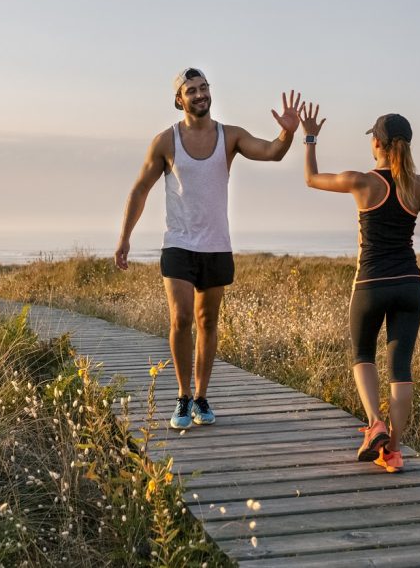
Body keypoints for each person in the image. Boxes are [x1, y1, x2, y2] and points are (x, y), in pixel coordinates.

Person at [114, 67, 303, 429]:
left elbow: (273, 152)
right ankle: (183, 397)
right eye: (191, 90)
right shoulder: (164, 142)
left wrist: (287, 132)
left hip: (216, 245)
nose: (200, 94)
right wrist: (125, 237)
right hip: (179, 243)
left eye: (204, 88)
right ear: (178, 99)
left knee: (207, 320)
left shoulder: (229, 136)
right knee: (181, 317)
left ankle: (201, 396)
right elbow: (139, 190)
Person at [298, 105, 420, 472]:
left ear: (376, 143)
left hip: (371, 284)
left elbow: (311, 178)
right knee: (401, 369)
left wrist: (310, 138)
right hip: (410, 284)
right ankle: (392, 451)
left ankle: (374, 423)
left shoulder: (362, 181)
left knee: (362, 354)